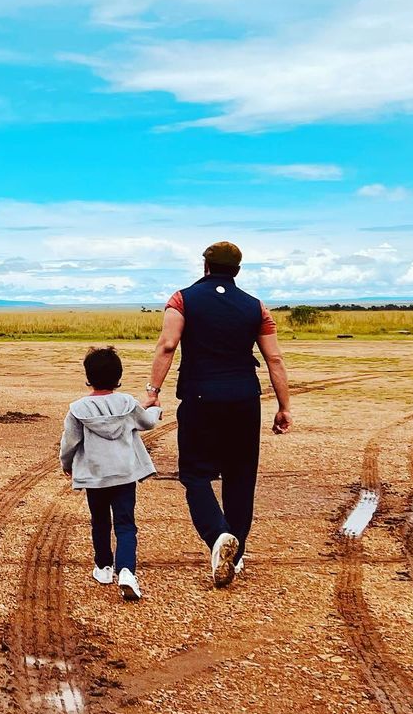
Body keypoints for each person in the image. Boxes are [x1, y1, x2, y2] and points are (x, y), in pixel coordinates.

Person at [147, 241, 292, 588]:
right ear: (238, 271)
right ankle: (235, 554)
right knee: (241, 478)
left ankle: (217, 538)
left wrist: (152, 392)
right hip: (244, 398)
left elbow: (168, 345)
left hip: (200, 397)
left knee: (196, 475)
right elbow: (274, 359)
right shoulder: (256, 307)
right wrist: (284, 406)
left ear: (205, 267)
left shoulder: (181, 300)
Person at [59, 346, 162, 602]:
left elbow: (69, 442)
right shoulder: (127, 403)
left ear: (88, 377)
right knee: (126, 524)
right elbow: (147, 423)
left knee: (100, 521)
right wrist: (154, 409)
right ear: (119, 377)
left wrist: (66, 464)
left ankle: (104, 568)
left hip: (96, 476)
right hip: (124, 475)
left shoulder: (77, 409)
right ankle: (127, 571)